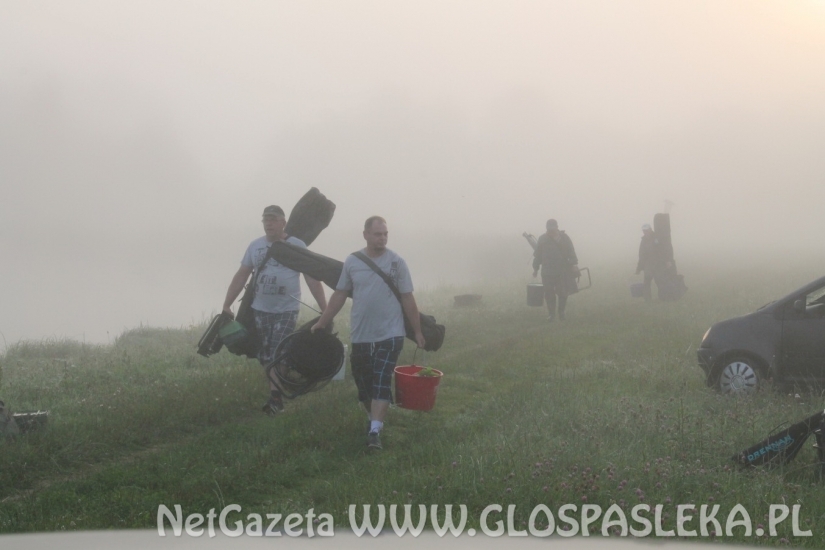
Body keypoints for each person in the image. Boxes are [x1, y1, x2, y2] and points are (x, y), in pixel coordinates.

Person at [311, 216, 425, 450]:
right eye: (377, 234)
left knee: (382, 379)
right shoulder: (353, 262)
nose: (382, 238)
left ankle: (374, 431)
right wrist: (322, 322)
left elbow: (407, 298)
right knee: (364, 383)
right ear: (365, 235)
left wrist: (417, 331)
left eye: (385, 234)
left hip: (391, 333)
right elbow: (340, 294)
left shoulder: (397, 262)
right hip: (361, 334)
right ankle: (373, 418)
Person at [222, 205, 328, 415]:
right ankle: (282, 382)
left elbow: (311, 277)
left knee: (278, 349)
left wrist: (326, 309)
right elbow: (241, 275)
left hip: (286, 309)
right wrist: (227, 304)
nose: (269, 223)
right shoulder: (255, 246)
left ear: (283, 222)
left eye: (273, 219)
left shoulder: (296, 246)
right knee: (266, 353)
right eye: (265, 220)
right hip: (260, 309)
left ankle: (275, 398)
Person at [532, 219, 579, 321]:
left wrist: (573, 264)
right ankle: (551, 314)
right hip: (547, 272)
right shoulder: (542, 239)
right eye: (549, 229)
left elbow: (571, 251)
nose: (551, 231)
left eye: (553, 229)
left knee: (563, 292)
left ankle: (561, 312)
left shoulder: (564, 238)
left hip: (562, 271)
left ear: (557, 227)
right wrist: (535, 268)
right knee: (549, 293)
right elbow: (538, 256)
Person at [635, 223, 673, 301]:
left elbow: (663, 250)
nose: (645, 232)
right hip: (648, 265)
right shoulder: (643, 240)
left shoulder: (656, 238)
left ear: (650, 230)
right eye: (644, 231)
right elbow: (642, 255)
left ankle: (663, 298)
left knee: (659, 281)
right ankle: (647, 299)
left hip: (658, 264)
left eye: (646, 231)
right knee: (647, 282)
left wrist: (667, 260)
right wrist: (639, 268)